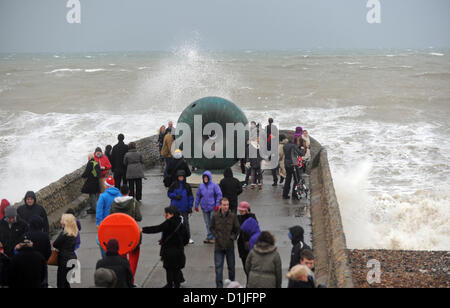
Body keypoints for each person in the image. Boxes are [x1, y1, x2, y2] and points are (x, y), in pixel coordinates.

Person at [142, 206, 189, 288]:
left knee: (169, 269)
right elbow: (186, 238)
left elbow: (156, 228)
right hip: (179, 251)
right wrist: (180, 244)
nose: (164, 215)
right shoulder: (181, 224)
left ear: (171, 214)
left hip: (168, 251)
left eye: (166, 213)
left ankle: (170, 284)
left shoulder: (168, 223)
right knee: (177, 269)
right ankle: (177, 284)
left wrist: (143, 230)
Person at [109, 185, 142, 278]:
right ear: (129, 191)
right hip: (132, 233)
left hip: (119, 235)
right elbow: (139, 218)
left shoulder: (114, 203)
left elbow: (110, 218)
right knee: (133, 258)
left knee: (121, 259)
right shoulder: (133, 202)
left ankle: (123, 280)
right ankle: (130, 281)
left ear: (120, 192)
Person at [209, 198, 240, 288]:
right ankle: (219, 286)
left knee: (231, 267)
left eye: (227, 205)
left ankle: (232, 285)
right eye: (224, 205)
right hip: (218, 246)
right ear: (220, 205)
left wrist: (232, 237)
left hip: (229, 246)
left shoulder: (233, 216)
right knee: (218, 268)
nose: (226, 207)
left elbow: (237, 229)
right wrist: (216, 236)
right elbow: (211, 228)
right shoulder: (215, 216)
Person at [96, 176, 122, 258]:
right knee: (116, 242)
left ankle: (106, 259)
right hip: (117, 223)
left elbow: (99, 211)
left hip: (105, 223)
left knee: (103, 242)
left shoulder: (103, 196)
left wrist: (98, 223)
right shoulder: (119, 194)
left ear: (107, 186)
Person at [195, 171, 223, 244]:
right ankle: (209, 236)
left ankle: (214, 237)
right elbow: (198, 196)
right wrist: (196, 205)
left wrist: (217, 205)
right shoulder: (201, 186)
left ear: (209, 178)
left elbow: (219, 195)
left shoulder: (214, 186)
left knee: (212, 222)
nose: (205, 179)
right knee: (207, 223)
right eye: (204, 177)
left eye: (207, 177)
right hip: (204, 207)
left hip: (213, 207)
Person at [168, 170, 194, 244]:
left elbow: (191, 197)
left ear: (184, 177)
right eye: (179, 177)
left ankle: (187, 238)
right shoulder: (173, 185)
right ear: (177, 177)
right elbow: (169, 193)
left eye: (182, 177)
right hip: (175, 208)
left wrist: (190, 206)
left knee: (185, 223)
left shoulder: (187, 186)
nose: (181, 178)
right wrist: (175, 196)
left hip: (184, 208)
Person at [53, 213, 78, 288]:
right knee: (66, 282)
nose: (60, 222)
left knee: (61, 283)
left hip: (64, 260)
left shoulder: (64, 234)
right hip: (72, 259)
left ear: (65, 222)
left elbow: (55, 244)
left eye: (62, 220)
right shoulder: (74, 233)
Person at [26, 216, 51, 288]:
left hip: (29, 264)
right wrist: (45, 260)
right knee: (43, 282)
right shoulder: (45, 236)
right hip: (42, 263)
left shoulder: (26, 235)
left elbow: (22, 251)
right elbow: (48, 251)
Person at [236, 201, 257, 273]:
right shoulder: (238, 218)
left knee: (251, 266)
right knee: (245, 265)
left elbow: (254, 226)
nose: (241, 211)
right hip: (241, 244)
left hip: (250, 244)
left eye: (242, 210)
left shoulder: (252, 216)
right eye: (240, 210)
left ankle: (250, 281)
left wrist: (248, 214)